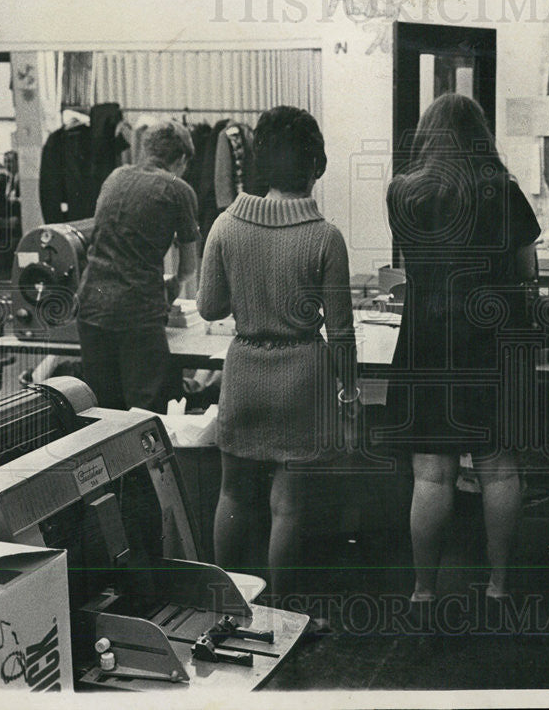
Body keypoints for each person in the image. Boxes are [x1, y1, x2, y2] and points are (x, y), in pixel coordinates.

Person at [385, 94, 541, 609]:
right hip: (492, 340)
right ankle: (499, 586)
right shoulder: (504, 191)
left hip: (428, 340)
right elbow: (528, 275)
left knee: (431, 472)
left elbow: (411, 268)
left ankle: (423, 589)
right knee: (499, 467)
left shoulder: (402, 193)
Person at [198, 106, 357, 608]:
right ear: (315, 164)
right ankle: (281, 612)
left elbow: (210, 306)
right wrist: (349, 393)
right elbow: (343, 330)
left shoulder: (226, 225)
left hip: (244, 373)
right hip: (302, 381)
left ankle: (226, 605)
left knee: (233, 495)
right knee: (286, 507)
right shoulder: (325, 236)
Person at [77, 119, 199, 414]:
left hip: (91, 307)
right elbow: (189, 265)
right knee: (145, 415)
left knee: (103, 412)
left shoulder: (115, 177)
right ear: (181, 159)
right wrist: (173, 286)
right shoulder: (178, 189)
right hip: (137, 314)